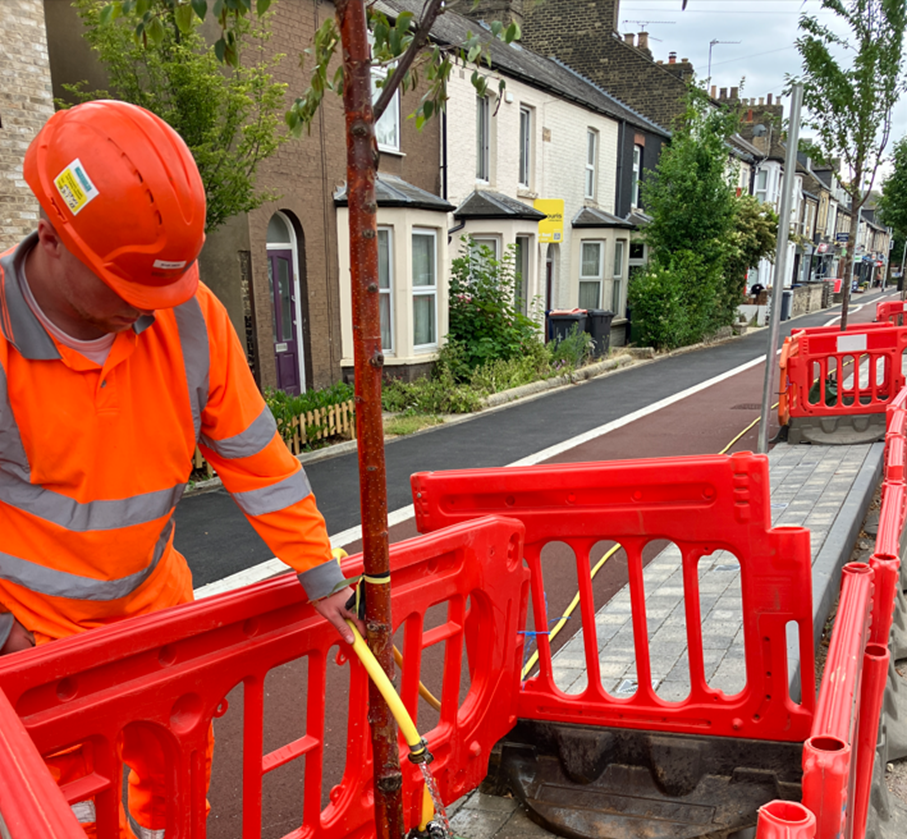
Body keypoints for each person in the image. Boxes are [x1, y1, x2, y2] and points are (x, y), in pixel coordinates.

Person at [0, 100, 360, 837]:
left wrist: (321, 572)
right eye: (128, 291)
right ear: (54, 237)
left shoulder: (187, 313)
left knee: (173, 802)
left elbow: (258, 458)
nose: (147, 313)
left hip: (158, 626)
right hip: (38, 650)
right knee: (67, 818)